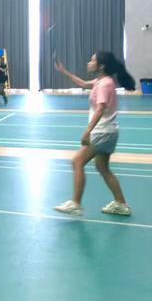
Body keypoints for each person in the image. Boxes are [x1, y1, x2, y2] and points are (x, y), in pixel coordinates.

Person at [53, 52, 134, 216]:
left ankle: (75, 204)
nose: (89, 63)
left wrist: (87, 132)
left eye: (92, 60)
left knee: (77, 162)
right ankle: (121, 203)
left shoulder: (104, 84)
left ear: (101, 66)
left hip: (102, 132)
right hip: (110, 132)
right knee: (102, 167)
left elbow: (100, 109)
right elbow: (83, 83)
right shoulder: (102, 81)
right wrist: (64, 71)